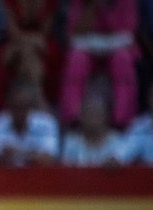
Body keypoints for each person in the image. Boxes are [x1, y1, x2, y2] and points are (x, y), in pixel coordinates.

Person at [61, 0, 140, 128]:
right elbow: (75, 32)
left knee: (122, 59)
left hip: (118, 48)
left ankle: (122, 119)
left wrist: (107, 9)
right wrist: (92, 7)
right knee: (76, 59)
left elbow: (128, 31)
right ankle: (72, 116)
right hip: (88, 49)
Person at [0, 80, 60, 165]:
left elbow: (51, 160)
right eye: (16, 107)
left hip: (37, 176)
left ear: (31, 107)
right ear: (8, 107)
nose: (20, 112)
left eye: (24, 107)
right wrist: (2, 157)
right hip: (5, 176)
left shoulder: (47, 124)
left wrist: (20, 154)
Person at [61, 92, 130, 165]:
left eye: (97, 114)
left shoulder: (117, 140)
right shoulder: (71, 140)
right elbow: (66, 169)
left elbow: (121, 163)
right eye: (89, 114)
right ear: (80, 117)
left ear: (106, 117)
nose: (93, 118)